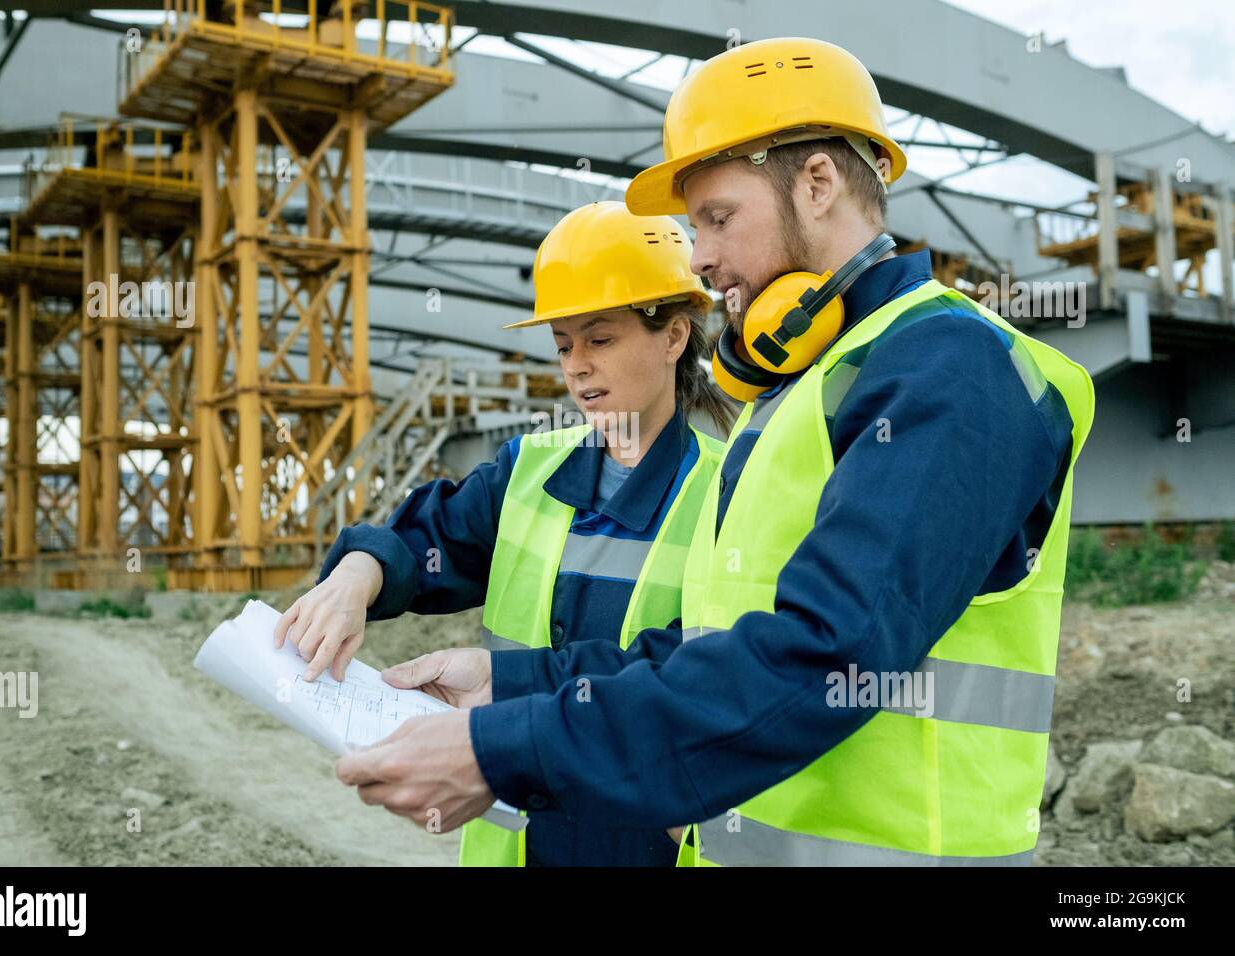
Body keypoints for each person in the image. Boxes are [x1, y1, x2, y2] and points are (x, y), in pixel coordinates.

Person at [333, 36, 1096, 867]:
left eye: (717, 218)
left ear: (816, 182)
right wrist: (511, 689)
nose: (698, 257)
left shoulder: (951, 368)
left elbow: (823, 655)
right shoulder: (809, 387)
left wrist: (507, 750)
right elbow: (716, 644)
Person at [277, 200, 735, 865]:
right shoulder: (527, 472)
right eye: (563, 344)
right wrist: (359, 573)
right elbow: (425, 539)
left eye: (599, 339)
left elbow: (707, 671)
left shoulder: (728, 495)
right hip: (519, 839)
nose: (575, 366)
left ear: (673, 337)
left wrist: (506, 684)